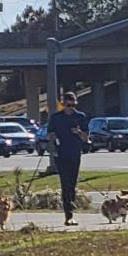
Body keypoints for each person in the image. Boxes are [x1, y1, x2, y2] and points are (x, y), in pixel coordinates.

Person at [46, 92, 91, 225]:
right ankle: (68, 215)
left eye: (72, 105)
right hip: (60, 155)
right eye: (67, 105)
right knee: (65, 184)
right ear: (63, 104)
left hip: (75, 154)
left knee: (72, 185)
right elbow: (49, 134)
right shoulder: (55, 117)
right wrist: (52, 136)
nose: (69, 107)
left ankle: (71, 203)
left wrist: (78, 132)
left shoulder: (80, 117)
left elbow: (86, 138)